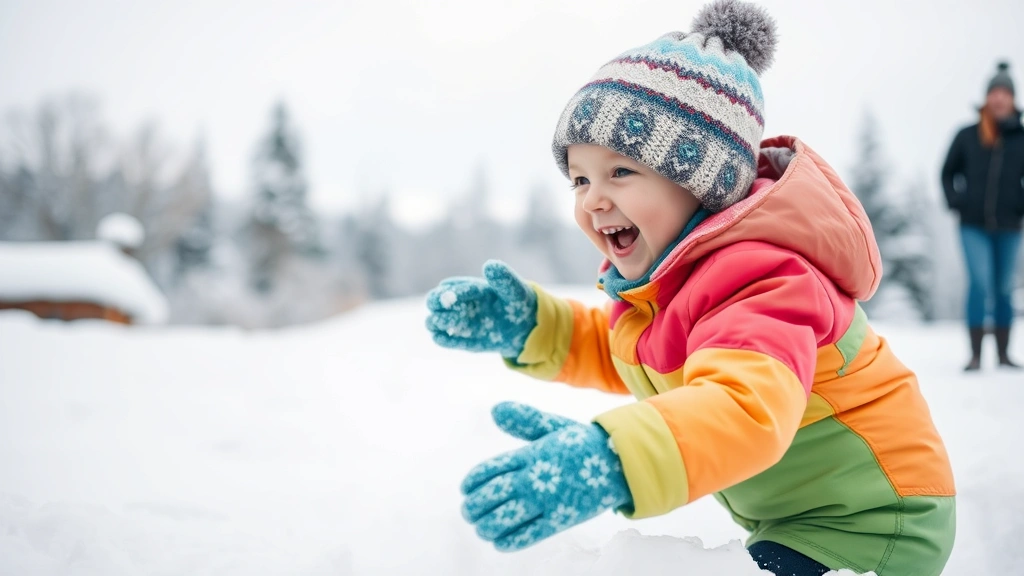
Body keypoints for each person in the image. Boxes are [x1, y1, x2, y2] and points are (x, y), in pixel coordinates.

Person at [425, 1, 955, 574]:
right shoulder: (668, 289)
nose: (592, 200)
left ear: (701, 184)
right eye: (579, 178)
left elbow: (743, 407)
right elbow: (632, 359)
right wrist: (537, 327)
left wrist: (614, 458)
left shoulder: (764, 281)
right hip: (803, 516)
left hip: (872, 518)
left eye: (621, 171)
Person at [942, 61, 1024, 371]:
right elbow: (947, 173)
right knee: (980, 283)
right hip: (972, 225)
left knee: (1004, 287)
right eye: (995, 93)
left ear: (1013, 99)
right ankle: (976, 355)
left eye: (1005, 93)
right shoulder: (967, 135)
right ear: (987, 97)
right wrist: (957, 202)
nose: (999, 98)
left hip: (1010, 226)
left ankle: (1003, 355)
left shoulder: (1021, 138)